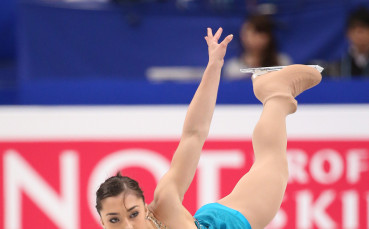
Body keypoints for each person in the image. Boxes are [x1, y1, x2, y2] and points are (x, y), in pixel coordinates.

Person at [95, 28, 322, 229]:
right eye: (114, 220)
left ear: (145, 208)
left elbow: (193, 134)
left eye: (133, 214)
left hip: (226, 222)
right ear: (102, 222)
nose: (128, 226)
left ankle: (275, 93)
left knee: (273, 165)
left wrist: (214, 67)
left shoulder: (165, 203)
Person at [224, 14, 292, 79]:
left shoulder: (282, 63)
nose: (258, 38)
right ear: (243, 36)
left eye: (261, 33)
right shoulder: (234, 69)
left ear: (269, 36)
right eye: (252, 33)